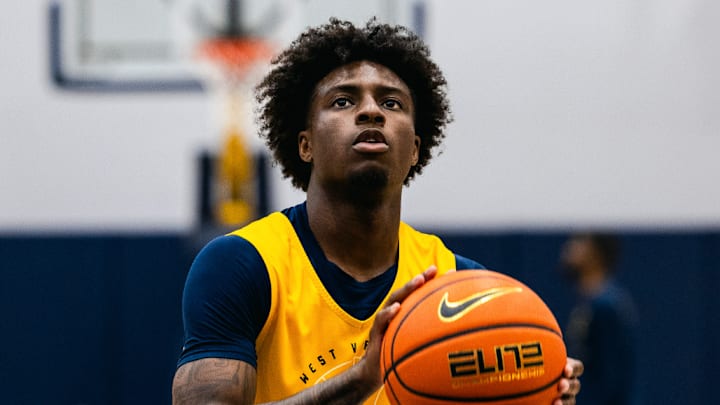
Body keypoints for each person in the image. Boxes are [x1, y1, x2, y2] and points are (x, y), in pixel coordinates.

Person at [172, 18, 583, 404]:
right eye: (343, 101)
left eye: (391, 102)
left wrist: (536, 391)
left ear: (415, 149)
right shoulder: (242, 265)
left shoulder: (458, 285)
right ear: (305, 145)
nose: (371, 111)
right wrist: (359, 380)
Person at [559, 232, 639, 405]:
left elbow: (611, 381)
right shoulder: (588, 303)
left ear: (594, 253)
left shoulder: (606, 306)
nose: (569, 247)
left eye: (579, 241)